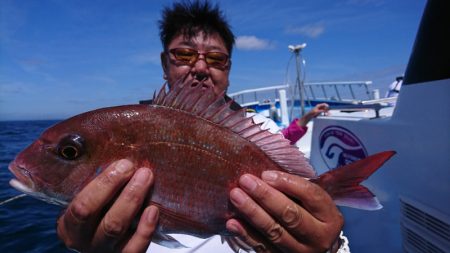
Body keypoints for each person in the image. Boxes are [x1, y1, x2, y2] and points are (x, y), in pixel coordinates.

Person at [56, 1, 345, 252]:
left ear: (228, 69)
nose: (200, 68)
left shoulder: (262, 130)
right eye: (184, 55)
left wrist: (329, 248)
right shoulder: (130, 130)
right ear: (164, 63)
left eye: (216, 59)